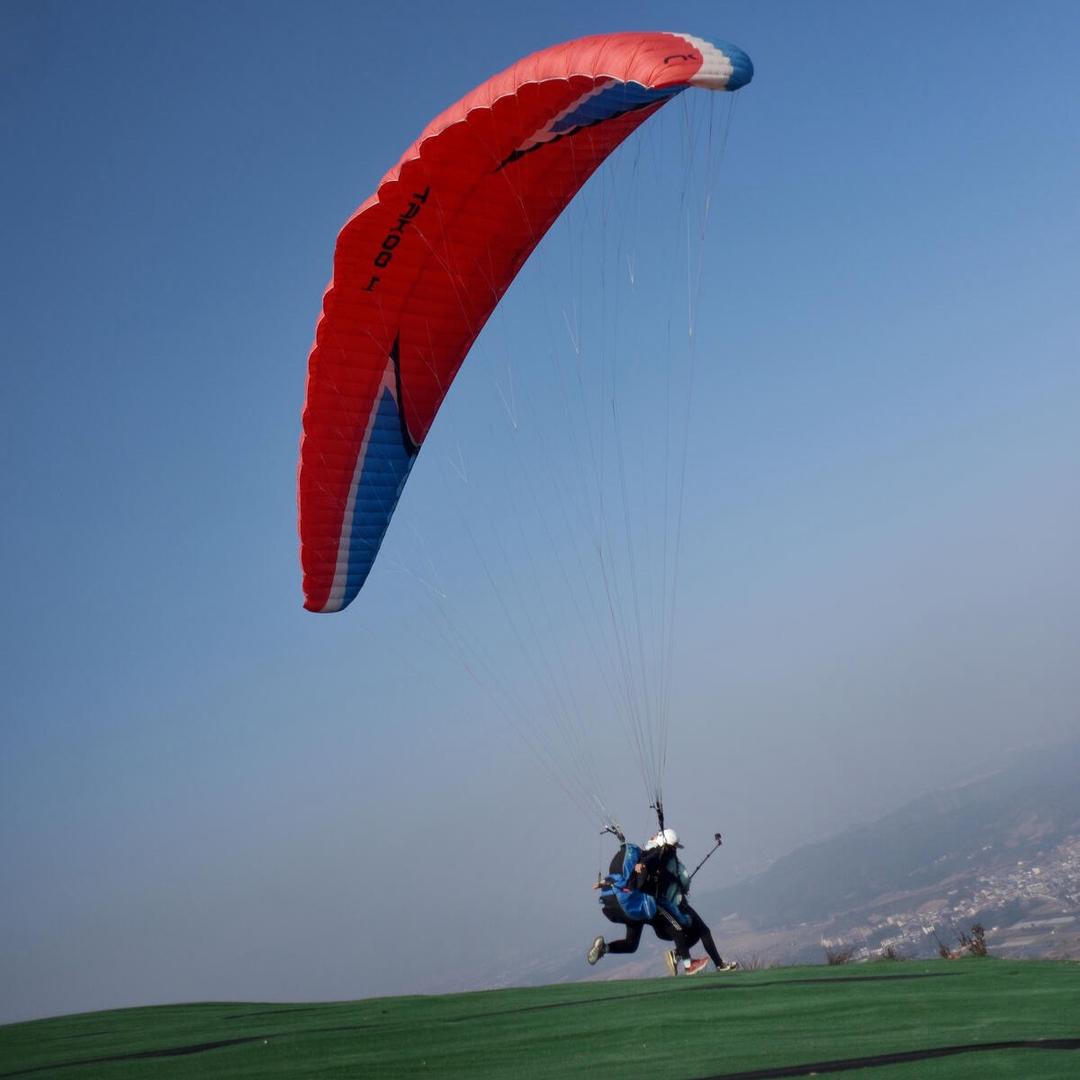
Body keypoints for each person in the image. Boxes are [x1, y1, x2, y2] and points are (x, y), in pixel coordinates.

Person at [586, 833, 709, 975]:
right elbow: (653, 858)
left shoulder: (643, 853)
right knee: (677, 929)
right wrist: (645, 864)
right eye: (674, 847)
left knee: (631, 944)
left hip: (632, 906)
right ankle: (689, 966)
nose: (675, 850)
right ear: (668, 845)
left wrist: (605, 883)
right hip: (647, 905)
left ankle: (604, 949)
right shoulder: (661, 852)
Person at [643, 828, 738, 974]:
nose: (675, 849)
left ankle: (677, 954)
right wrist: (683, 886)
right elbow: (685, 878)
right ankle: (719, 964)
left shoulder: (652, 858)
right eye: (674, 847)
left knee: (696, 932)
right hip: (677, 903)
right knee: (704, 931)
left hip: (664, 906)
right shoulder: (671, 860)